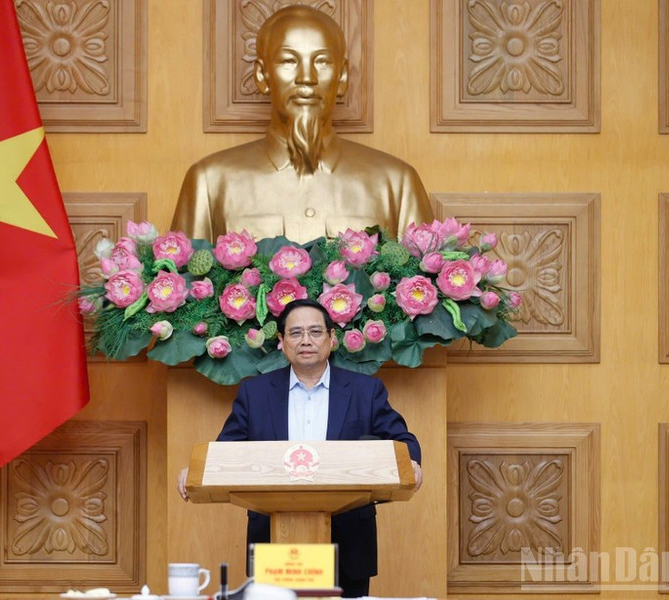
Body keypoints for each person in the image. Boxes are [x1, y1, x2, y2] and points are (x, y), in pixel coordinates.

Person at [177, 299, 422, 598]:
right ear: (281, 341)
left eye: (315, 331)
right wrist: (198, 472)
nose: (306, 340)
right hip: (273, 543)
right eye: (295, 333)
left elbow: (402, 441)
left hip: (348, 541)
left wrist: (411, 462)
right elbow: (226, 453)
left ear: (332, 338)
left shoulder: (365, 391)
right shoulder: (255, 393)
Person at [171, 5, 433, 243]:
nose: (306, 77)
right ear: (262, 75)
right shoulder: (209, 182)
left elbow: (426, 286)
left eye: (321, 61)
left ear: (341, 77)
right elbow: (183, 284)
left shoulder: (398, 184)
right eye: (288, 61)